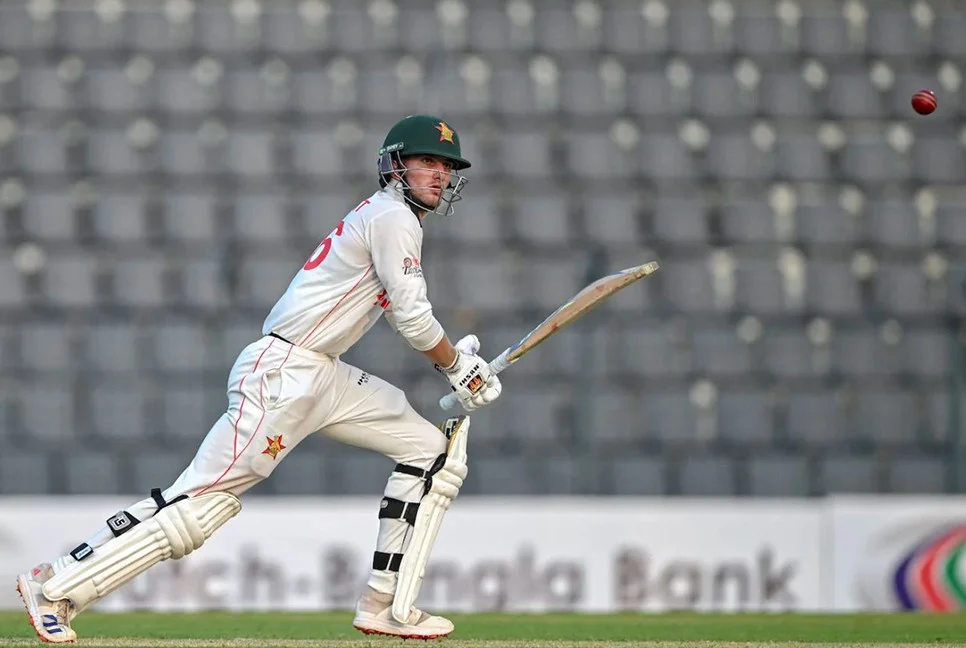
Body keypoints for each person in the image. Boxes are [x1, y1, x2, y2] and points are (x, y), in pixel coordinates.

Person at [16, 114, 502, 643]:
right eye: (427, 161)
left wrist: (458, 362)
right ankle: (56, 587)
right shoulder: (392, 216)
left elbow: (400, 311)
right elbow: (412, 317)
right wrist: (456, 367)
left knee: (429, 451)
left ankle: (385, 603)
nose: (439, 174)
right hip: (286, 373)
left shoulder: (390, 219)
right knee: (200, 504)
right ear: (395, 165)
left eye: (446, 166)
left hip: (323, 372)